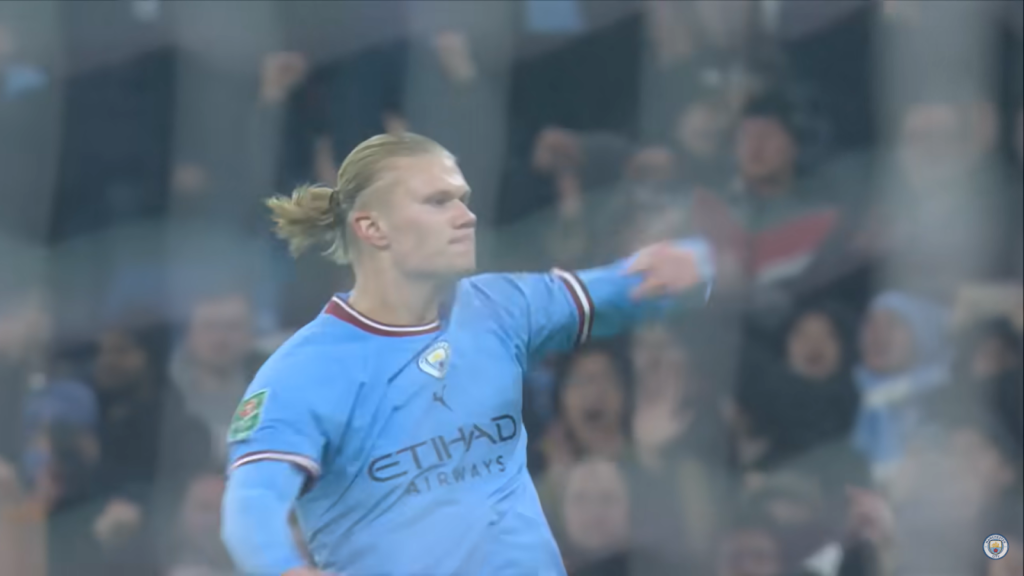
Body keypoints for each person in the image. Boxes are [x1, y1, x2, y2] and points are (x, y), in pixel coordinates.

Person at [219, 132, 715, 575]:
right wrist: (286, 571)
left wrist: (699, 262)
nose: (467, 216)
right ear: (373, 229)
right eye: (438, 202)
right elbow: (251, 503)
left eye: (464, 199)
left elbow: (624, 287)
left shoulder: (497, 307)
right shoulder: (305, 370)